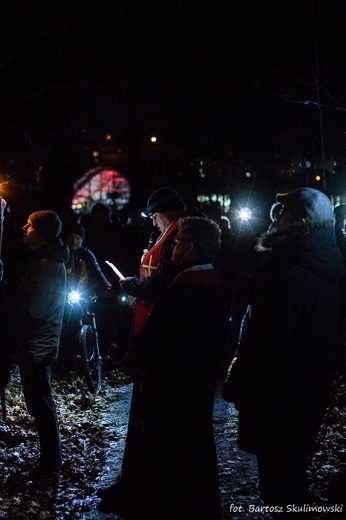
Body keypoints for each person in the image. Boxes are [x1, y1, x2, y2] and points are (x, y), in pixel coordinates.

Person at [99, 217, 231, 519]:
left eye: (178, 240)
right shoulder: (216, 283)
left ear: (191, 247)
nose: (173, 245)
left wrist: (135, 361)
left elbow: (159, 335)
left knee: (168, 453)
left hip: (171, 386)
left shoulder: (184, 289)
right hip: (196, 383)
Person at [229, 188, 344, 514]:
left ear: (297, 222)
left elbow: (265, 340)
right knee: (290, 473)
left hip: (279, 393)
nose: (276, 218)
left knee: (281, 483)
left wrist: (240, 382)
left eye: (283, 212)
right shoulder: (324, 262)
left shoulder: (291, 272)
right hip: (306, 387)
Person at [14, 210, 69, 480]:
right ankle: (51, 458)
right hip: (38, 342)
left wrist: (12, 313)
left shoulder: (47, 266)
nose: (25, 227)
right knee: (39, 401)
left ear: (42, 233)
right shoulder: (43, 261)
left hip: (38, 344)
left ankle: (51, 461)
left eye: (30, 224)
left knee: (40, 403)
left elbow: (34, 310)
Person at [119, 186, 187, 334]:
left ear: (168, 211)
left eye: (155, 217)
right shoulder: (173, 231)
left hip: (166, 313)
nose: (154, 224)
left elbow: (164, 278)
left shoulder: (177, 234)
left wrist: (133, 285)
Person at [60, 221, 115, 364]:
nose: (74, 240)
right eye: (71, 237)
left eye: (77, 237)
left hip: (80, 295)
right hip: (60, 295)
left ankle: (79, 358)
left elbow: (98, 272)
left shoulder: (86, 255)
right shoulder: (60, 253)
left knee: (80, 321)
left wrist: (105, 287)